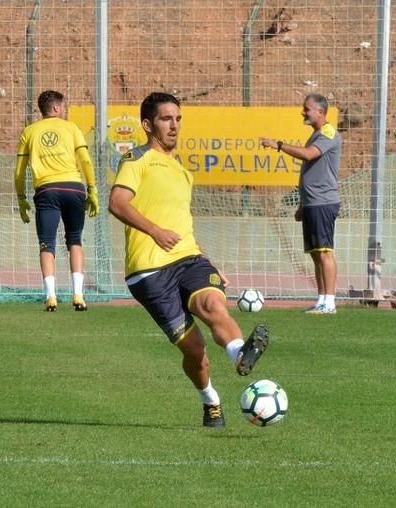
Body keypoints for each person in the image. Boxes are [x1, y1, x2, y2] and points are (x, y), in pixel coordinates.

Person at [108, 92, 269, 428]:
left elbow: (183, 224)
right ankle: (210, 400)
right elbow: (118, 203)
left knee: (213, 303)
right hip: (149, 270)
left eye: (178, 119)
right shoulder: (136, 160)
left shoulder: (182, 172)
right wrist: (154, 231)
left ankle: (240, 352)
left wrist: (207, 260)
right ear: (148, 125)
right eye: (167, 119)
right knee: (194, 350)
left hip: (189, 258)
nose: (175, 125)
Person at [14, 90, 100, 312]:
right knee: (75, 240)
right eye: (63, 106)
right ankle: (78, 295)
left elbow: (19, 172)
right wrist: (92, 190)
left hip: (47, 191)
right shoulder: (71, 128)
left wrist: (21, 198)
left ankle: (50, 296)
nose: (65, 110)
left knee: (46, 244)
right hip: (74, 188)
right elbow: (85, 161)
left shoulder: (29, 132)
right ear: (55, 108)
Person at [260, 93, 341, 314]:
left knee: (325, 252)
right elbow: (313, 172)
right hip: (313, 203)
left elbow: (307, 155)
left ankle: (330, 302)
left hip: (324, 202)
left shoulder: (327, 133)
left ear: (320, 112)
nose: (302, 112)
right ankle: (322, 300)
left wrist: (278, 145)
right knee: (316, 253)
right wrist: (303, 205)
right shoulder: (316, 134)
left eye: (306, 109)